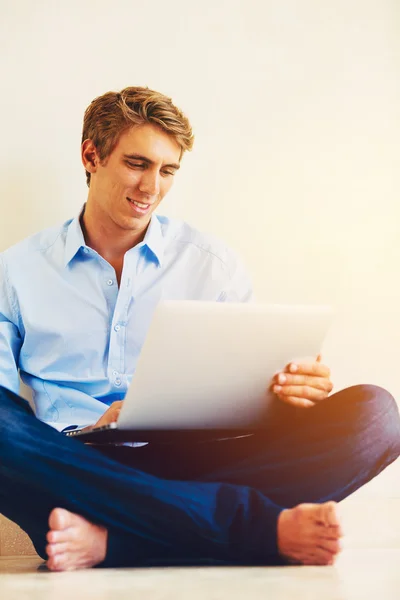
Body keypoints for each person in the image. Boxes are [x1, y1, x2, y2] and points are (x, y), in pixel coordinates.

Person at [0, 87, 399, 571]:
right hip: (70, 466)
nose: (151, 187)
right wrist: (93, 427)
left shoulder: (213, 265)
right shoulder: (16, 272)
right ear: (91, 154)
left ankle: (117, 543)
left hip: (197, 463)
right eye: (137, 163)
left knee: (377, 414)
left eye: (168, 171)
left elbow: (246, 402)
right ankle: (247, 526)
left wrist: (290, 397)